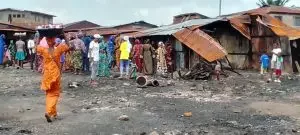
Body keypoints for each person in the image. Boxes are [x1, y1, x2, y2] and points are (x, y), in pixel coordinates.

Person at [36, 25, 71, 122]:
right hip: (56, 74)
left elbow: (36, 47)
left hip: (47, 75)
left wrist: (40, 36)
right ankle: (49, 112)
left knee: (49, 93)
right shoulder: (59, 49)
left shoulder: (43, 50)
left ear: (46, 41)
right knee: (55, 94)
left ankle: (53, 113)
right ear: (54, 40)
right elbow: (70, 46)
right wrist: (63, 35)